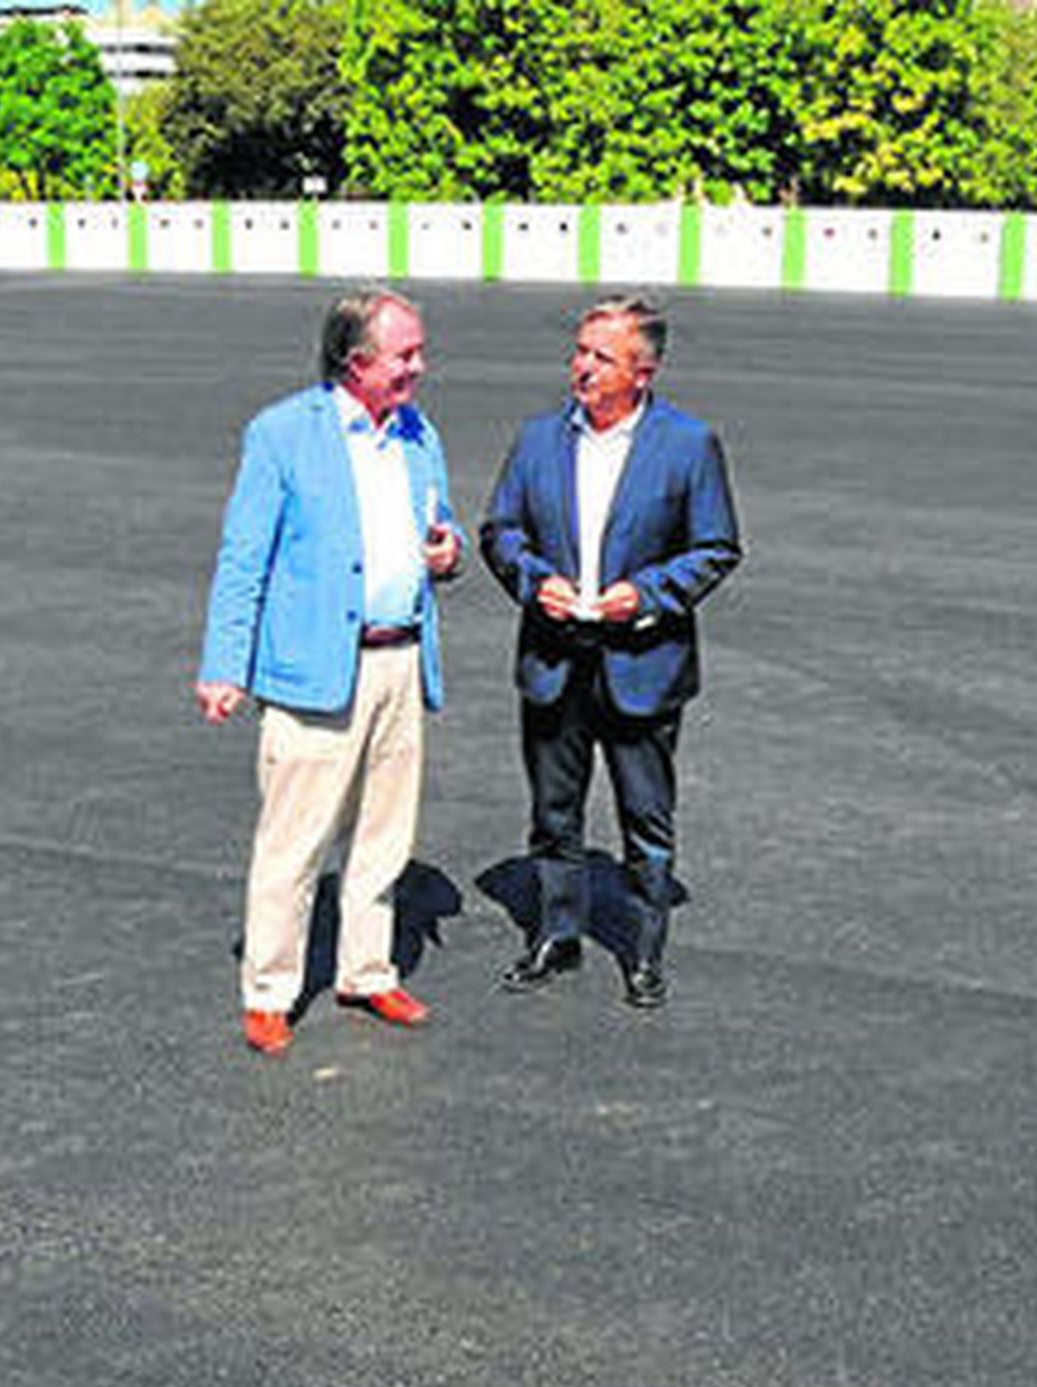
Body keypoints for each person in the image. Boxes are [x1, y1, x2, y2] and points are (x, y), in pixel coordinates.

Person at [196, 287, 463, 1057]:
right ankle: (269, 990)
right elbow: (244, 557)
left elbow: (439, 525)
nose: (420, 366)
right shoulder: (283, 433)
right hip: (314, 670)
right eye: (405, 354)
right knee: (294, 841)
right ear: (356, 360)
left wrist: (447, 552)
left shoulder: (419, 433)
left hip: (399, 659)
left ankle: (367, 970)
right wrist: (224, 665)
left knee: (385, 833)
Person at [480, 295, 741, 1009]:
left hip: (642, 664)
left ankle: (643, 950)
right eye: (580, 350)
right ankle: (556, 935)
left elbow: (716, 546)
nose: (583, 367)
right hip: (555, 657)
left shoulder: (688, 444)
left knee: (646, 819)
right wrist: (535, 582)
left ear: (643, 372)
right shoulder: (538, 439)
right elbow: (501, 531)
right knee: (553, 813)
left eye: (602, 356)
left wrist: (648, 594)